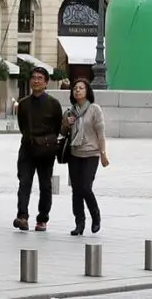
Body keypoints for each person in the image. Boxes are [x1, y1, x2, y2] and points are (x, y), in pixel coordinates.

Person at [13, 66, 63, 231]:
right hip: (27, 147)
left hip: (46, 150)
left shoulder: (54, 104)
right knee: (24, 183)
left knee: (45, 185)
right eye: (33, 77)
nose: (36, 81)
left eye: (40, 78)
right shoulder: (24, 104)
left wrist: (46, 141)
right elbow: (22, 126)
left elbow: (57, 128)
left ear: (46, 83)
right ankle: (22, 216)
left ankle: (42, 219)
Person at [62, 78, 109, 236]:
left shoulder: (95, 109)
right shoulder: (70, 111)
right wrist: (66, 124)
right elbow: (62, 132)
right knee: (76, 190)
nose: (77, 91)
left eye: (81, 88)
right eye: (75, 88)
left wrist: (103, 154)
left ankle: (96, 216)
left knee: (86, 188)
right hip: (75, 153)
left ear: (87, 91)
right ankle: (79, 223)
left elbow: (101, 134)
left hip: (91, 153)